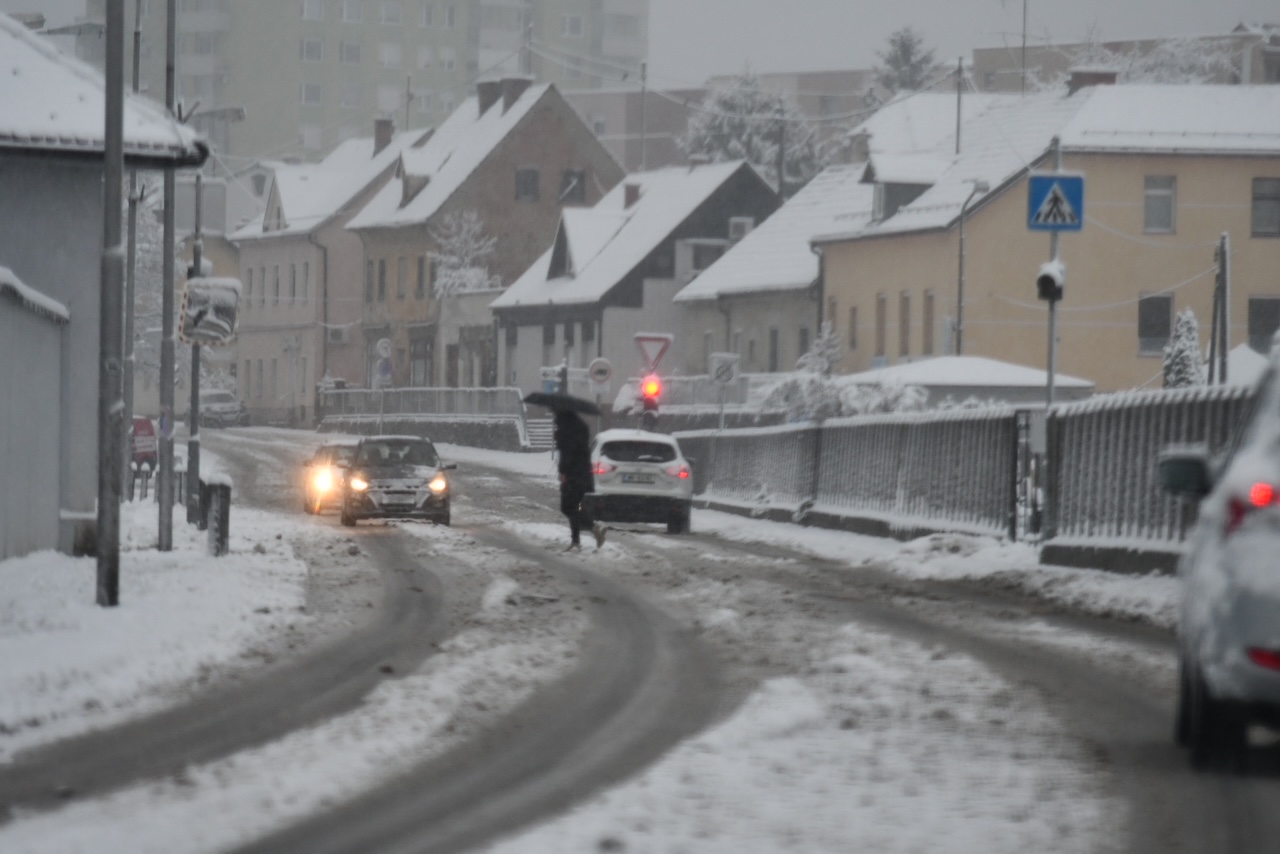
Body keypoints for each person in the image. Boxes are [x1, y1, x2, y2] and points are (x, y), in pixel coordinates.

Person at [554, 409, 605, 550]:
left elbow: (568, 453)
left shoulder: (568, 430)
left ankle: (594, 527)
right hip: (583, 475)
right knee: (574, 508)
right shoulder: (580, 426)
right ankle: (576, 540)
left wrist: (563, 471)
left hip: (573, 476)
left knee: (568, 507)